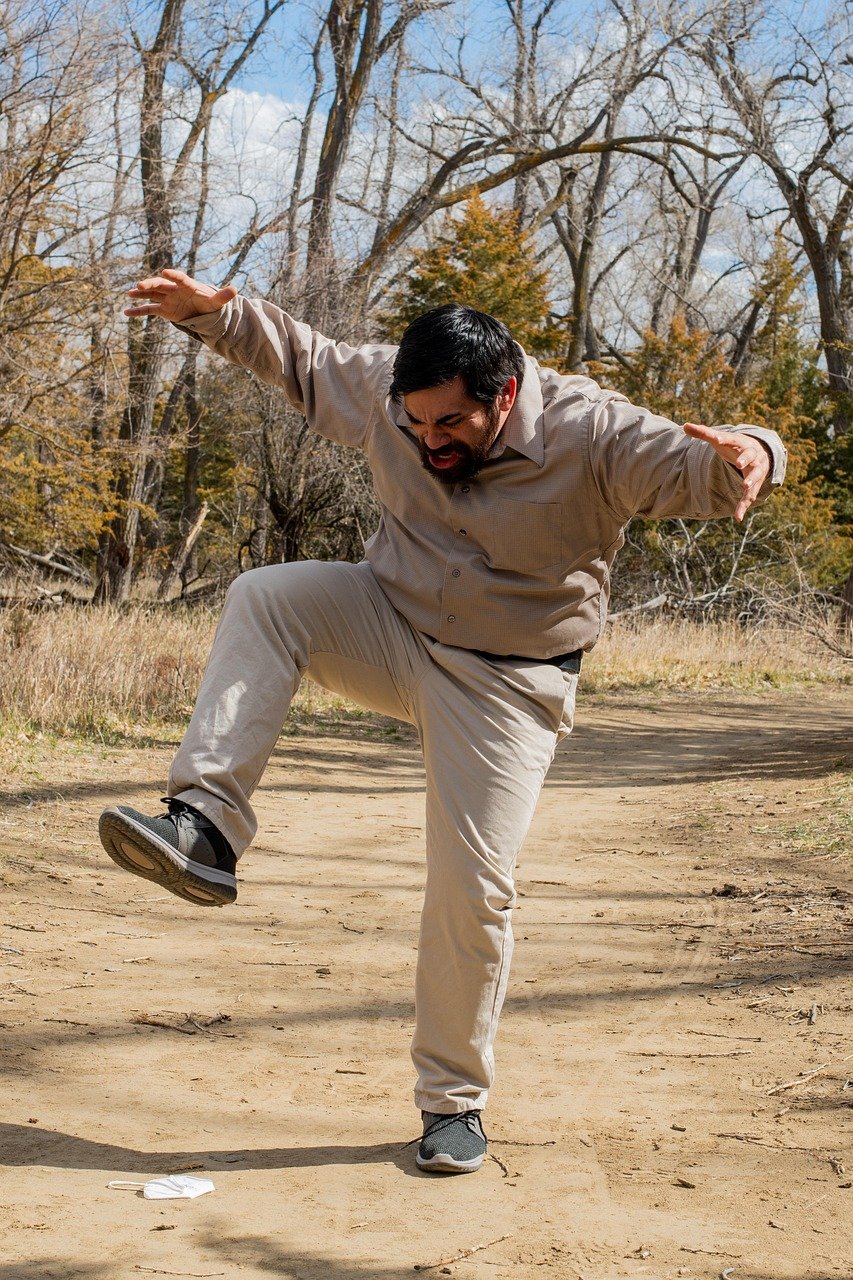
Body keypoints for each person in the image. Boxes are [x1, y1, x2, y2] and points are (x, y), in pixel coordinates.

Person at [99, 269, 786, 1175]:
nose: (429, 439)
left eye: (451, 422)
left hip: (506, 680)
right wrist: (215, 316)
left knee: (471, 888)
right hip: (389, 624)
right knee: (267, 595)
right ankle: (206, 827)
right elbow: (304, 358)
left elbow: (707, 464)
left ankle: (451, 1104)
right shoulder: (393, 395)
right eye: (415, 421)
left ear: (504, 394)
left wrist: (751, 452)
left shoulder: (592, 432)